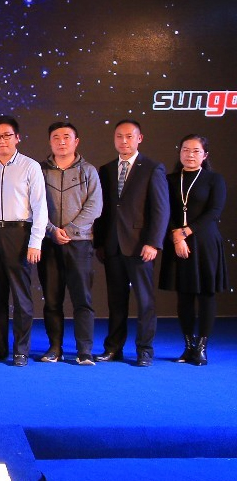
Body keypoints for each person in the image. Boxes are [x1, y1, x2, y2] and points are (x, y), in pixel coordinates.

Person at [94, 119, 169, 366]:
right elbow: (103, 210)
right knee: (116, 301)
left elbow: (161, 209)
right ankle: (113, 348)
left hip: (140, 246)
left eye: (129, 136)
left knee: (145, 301)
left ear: (139, 138)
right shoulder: (106, 169)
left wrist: (153, 242)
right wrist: (100, 243)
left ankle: (144, 350)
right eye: (119, 136)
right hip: (112, 246)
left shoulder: (152, 168)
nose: (124, 141)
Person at [0, 116, 47, 366]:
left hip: (19, 234)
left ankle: (21, 350)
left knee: (21, 297)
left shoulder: (30, 166)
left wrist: (35, 241)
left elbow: (40, 207)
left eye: (7, 135)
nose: (2, 140)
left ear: (17, 138)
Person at [159, 134, 230, 367]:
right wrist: (176, 236)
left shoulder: (214, 179)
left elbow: (214, 212)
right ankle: (188, 346)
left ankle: (202, 347)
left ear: (205, 155)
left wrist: (186, 232)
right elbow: (163, 210)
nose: (190, 155)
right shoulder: (169, 179)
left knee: (206, 294)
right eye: (185, 150)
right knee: (184, 295)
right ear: (179, 152)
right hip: (176, 242)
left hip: (205, 242)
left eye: (196, 151)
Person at [38, 121, 103, 365]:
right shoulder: (40, 171)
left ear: (76, 142)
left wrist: (70, 230)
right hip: (50, 242)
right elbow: (34, 205)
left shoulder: (88, 171)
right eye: (56, 137)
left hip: (80, 243)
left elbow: (94, 206)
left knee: (82, 299)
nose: (61, 141)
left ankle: (84, 350)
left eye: (66, 137)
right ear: (50, 142)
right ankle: (54, 348)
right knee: (52, 299)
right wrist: (52, 231)